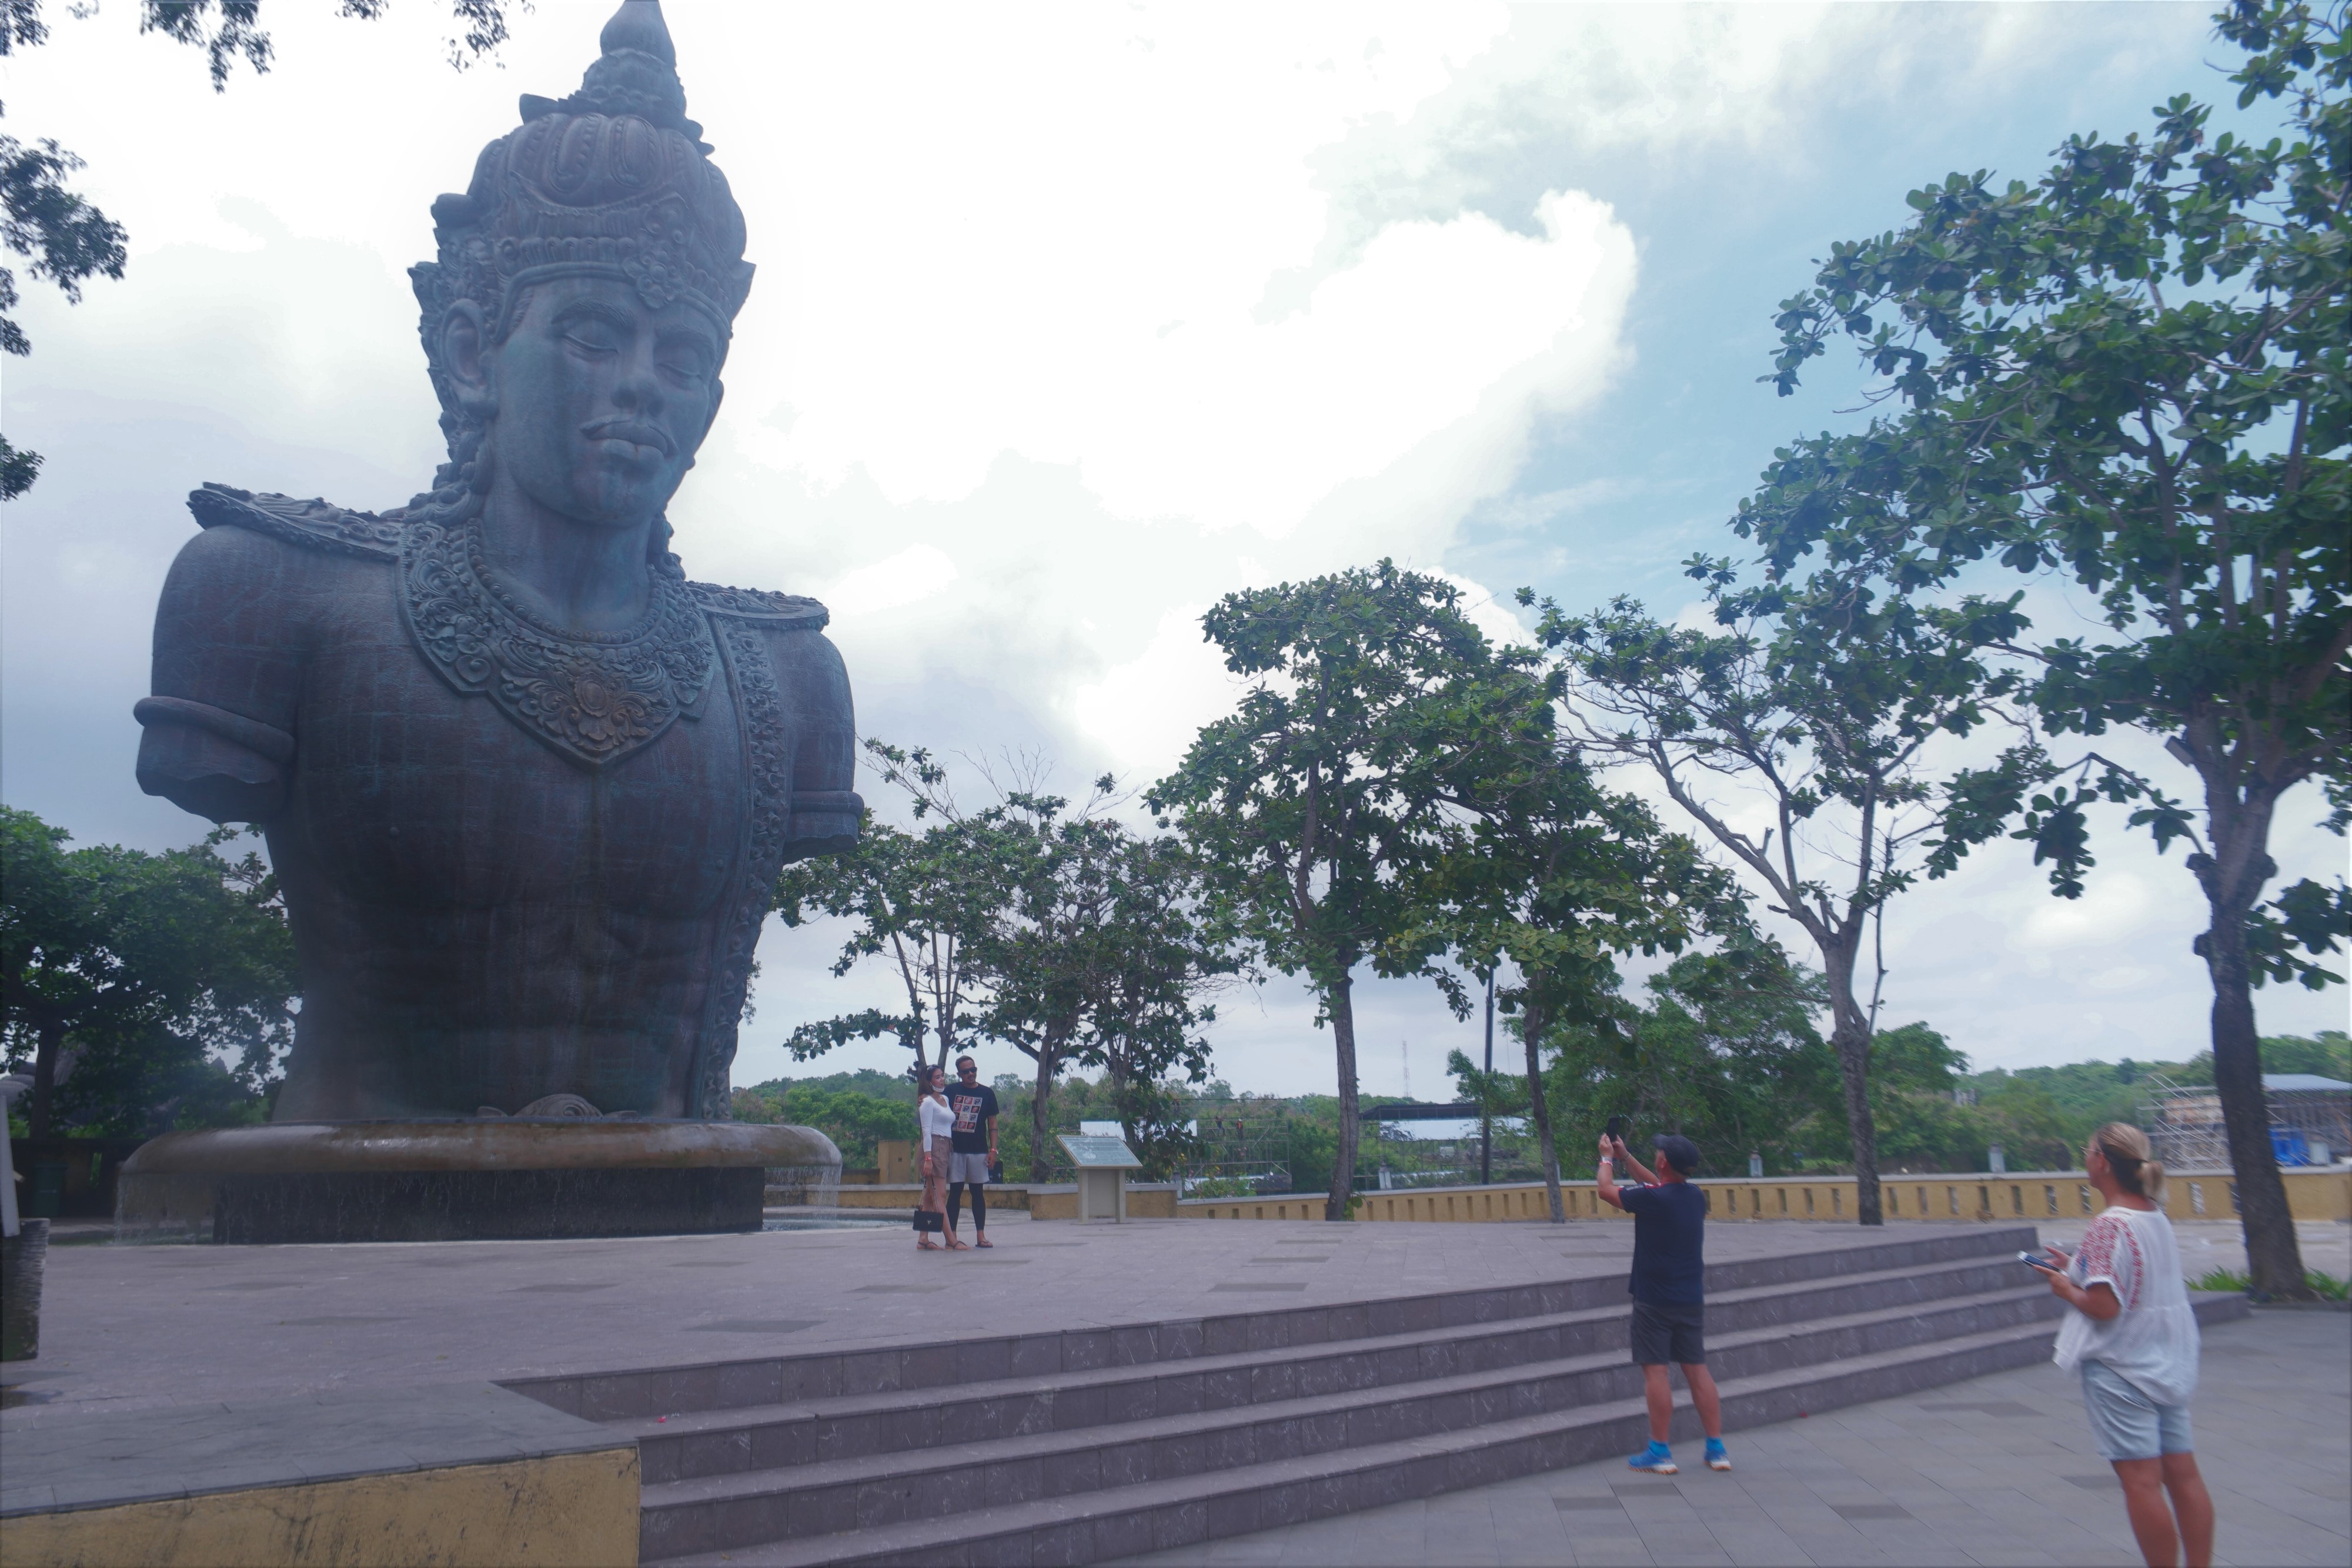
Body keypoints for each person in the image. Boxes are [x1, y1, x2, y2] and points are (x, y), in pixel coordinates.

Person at [2034, 1123, 2211, 1568]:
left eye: (2087, 1149)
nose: (2085, 1157)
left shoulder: (2108, 1224)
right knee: (2184, 1475)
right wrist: (2075, 1265)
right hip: (2168, 1363)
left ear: (2102, 1161)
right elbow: (2137, 1278)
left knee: (2141, 1482)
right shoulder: (2154, 1214)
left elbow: (2103, 1305)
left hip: (2122, 1367)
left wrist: (2064, 1287)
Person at [1597, 1129, 1729, 1475]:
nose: (1656, 1154)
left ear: (1664, 1161)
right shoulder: (1694, 1196)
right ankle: (1716, 1449)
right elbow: (1659, 1184)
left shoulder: (1655, 1200)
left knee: (1656, 1372)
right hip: (1690, 1299)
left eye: (1658, 1152)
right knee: (1697, 1372)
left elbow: (1606, 1191)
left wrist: (1607, 1159)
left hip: (1654, 1300)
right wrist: (1627, 1158)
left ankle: (1659, 1451)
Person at [944, 1055, 1000, 1249]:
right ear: (959, 1074)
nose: (971, 1074)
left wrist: (993, 1150)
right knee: (955, 1193)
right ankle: (952, 1238)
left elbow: (992, 1123)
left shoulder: (987, 1093)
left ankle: (981, 1236)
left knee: (978, 1193)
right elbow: (935, 1103)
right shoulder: (951, 1091)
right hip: (955, 1151)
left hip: (978, 1151)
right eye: (966, 1071)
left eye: (973, 1070)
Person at [913, 1065, 963, 1251]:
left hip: (945, 1147)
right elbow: (926, 1130)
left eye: (943, 1076)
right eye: (937, 1077)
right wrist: (928, 1159)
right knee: (939, 1195)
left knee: (929, 1195)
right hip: (932, 1148)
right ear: (929, 1081)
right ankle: (951, 1239)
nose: (942, 1079)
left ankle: (923, 1239)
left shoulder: (945, 1099)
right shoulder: (927, 1102)